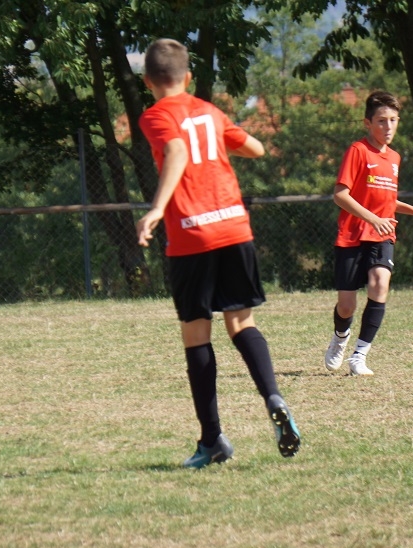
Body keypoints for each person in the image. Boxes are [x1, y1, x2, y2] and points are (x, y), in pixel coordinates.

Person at [135, 38, 300, 469]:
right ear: (188, 77)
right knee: (242, 323)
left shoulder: (155, 115)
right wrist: (223, 143)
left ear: (148, 81)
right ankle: (273, 396)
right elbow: (255, 148)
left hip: (192, 234)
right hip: (234, 226)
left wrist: (157, 208)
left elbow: (176, 150)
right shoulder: (209, 111)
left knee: (196, 333)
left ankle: (212, 440)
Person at [323, 91, 413, 376]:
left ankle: (359, 356)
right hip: (352, 234)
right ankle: (340, 337)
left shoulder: (395, 157)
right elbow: (340, 195)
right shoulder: (358, 151)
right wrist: (373, 219)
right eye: (381, 121)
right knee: (346, 306)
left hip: (382, 234)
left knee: (380, 283)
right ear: (368, 123)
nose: (388, 126)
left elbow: (385, 199)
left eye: (393, 120)